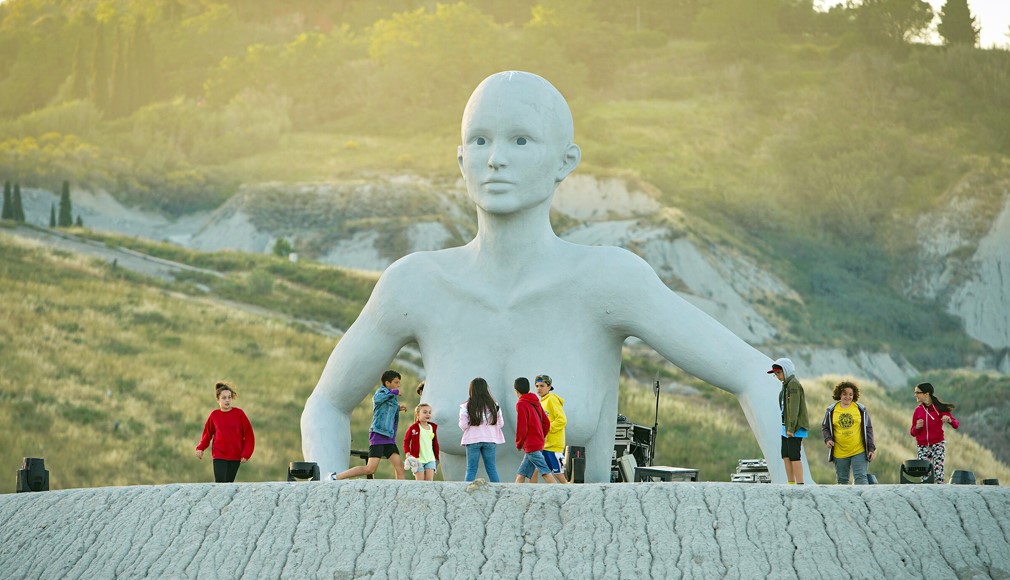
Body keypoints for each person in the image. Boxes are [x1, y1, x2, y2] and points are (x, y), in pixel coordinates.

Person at [302, 71, 795, 483]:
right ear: (461, 160)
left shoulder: (607, 281)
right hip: (449, 553)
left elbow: (757, 375)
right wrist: (322, 510)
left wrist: (801, 499)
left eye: (521, 139)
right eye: (480, 140)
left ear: (566, 161)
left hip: (575, 553)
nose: (496, 158)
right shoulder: (416, 284)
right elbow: (326, 404)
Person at [329, 370, 407, 480]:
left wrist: (398, 408)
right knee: (370, 469)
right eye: (396, 382)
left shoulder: (391, 396)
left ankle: (401, 493)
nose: (398, 385)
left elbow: (386, 409)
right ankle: (335, 477)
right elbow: (378, 400)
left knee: (400, 467)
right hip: (378, 434)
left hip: (389, 437)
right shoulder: (380, 393)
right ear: (387, 383)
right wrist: (394, 392)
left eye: (399, 382)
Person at [195, 381, 255, 483]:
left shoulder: (239, 414)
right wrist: (201, 447)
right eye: (224, 398)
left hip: (235, 456)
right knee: (220, 482)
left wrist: (246, 453)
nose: (227, 400)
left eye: (229, 397)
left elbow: (249, 435)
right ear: (218, 400)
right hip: (219, 454)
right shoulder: (214, 415)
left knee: (229, 483)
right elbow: (207, 434)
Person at [820, 380, 876, 485]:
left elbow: (868, 429)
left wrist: (871, 448)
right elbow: (825, 427)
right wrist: (828, 439)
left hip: (859, 450)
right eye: (844, 394)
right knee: (842, 481)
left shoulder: (860, 409)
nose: (848, 397)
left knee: (861, 479)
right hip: (839, 452)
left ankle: (862, 501)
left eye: (851, 394)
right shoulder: (831, 410)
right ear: (839, 395)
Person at [768, 358, 809, 484]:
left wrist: (791, 428)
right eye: (776, 374)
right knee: (785, 455)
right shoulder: (785, 385)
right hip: (785, 426)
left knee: (794, 455)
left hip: (794, 427)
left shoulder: (793, 384)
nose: (778, 376)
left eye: (779, 373)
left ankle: (800, 483)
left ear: (786, 370)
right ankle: (790, 482)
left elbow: (794, 407)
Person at [910, 382, 959, 484]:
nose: (915, 395)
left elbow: (956, 424)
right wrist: (917, 427)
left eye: (917, 392)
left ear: (926, 394)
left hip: (937, 444)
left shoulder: (939, 409)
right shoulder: (917, 411)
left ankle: (941, 493)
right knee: (924, 474)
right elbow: (912, 432)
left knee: (938, 473)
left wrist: (949, 420)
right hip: (922, 446)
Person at [459, 377, 505, 482]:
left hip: (472, 440)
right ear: (486, 389)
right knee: (492, 468)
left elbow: (463, 425)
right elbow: (501, 423)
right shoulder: (495, 405)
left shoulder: (466, 406)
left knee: (471, 469)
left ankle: (467, 493)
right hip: (490, 440)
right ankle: (498, 492)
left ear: (471, 390)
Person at [513, 377, 559, 484]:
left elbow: (522, 427)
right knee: (521, 474)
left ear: (516, 391)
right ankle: (514, 495)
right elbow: (546, 422)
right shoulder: (535, 401)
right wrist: (540, 436)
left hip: (530, 445)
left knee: (545, 472)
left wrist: (519, 444)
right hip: (537, 443)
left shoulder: (521, 404)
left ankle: (560, 491)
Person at [529, 374, 568, 484]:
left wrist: (546, 430)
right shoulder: (541, 402)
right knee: (533, 470)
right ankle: (532, 494)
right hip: (544, 445)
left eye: (542, 385)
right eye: (537, 386)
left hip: (553, 445)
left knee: (559, 475)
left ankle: (572, 492)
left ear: (549, 386)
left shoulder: (552, 399)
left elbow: (562, 420)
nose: (539, 388)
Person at [403, 403, 440, 481]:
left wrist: (437, 456)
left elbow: (435, 443)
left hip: (430, 459)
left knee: (429, 482)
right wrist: (407, 452)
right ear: (418, 414)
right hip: (417, 460)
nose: (428, 414)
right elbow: (406, 441)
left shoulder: (433, 427)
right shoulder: (413, 428)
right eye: (425, 412)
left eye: (429, 412)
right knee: (420, 483)